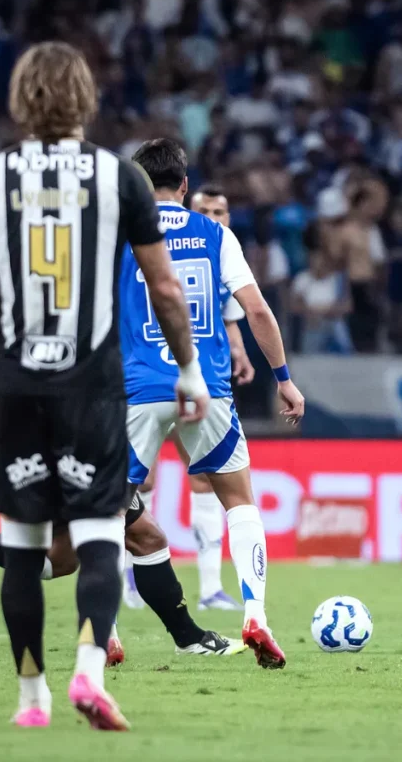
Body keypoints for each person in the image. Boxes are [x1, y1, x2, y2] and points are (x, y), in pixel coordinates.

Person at [0, 41, 212, 730]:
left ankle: (30, 698)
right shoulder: (118, 178)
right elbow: (165, 286)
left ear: (19, 97)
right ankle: (90, 673)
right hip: (93, 383)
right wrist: (188, 369)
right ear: (84, 97)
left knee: (25, 543)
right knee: (101, 537)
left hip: (14, 381)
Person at [122, 138, 305, 669]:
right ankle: (257, 616)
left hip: (139, 390)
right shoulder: (215, 233)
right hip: (207, 390)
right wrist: (284, 379)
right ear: (184, 186)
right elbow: (259, 311)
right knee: (240, 503)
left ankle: (105, 629)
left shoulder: (120, 235)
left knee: (107, 508)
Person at [128, 183, 254, 614]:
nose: (215, 218)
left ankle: (207, 587)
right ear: (187, 200)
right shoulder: (200, 243)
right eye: (207, 210)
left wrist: (238, 351)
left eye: (222, 211)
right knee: (143, 484)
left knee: (196, 480)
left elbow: (230, 319)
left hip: (159, 381)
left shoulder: (216, 254)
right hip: (186, 379)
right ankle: (135, 572)